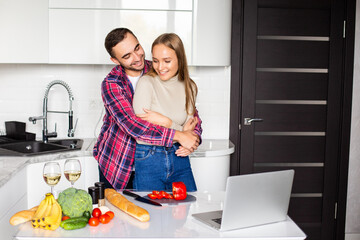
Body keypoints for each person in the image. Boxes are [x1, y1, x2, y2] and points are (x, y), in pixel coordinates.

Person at [93, 28, 202, 190]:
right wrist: (180, 135)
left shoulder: (159, 68)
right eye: (127, 56)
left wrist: (193, 138)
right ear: (115, 60)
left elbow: (193, 116)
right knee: (122, 213)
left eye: (137, 48)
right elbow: (134, 126)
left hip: (161, 160)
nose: (137, 58)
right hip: (120, 163)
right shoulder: (111, 84)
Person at [132, 33, 200, 191]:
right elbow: (141, 128)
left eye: (167, 61)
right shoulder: (146, 83)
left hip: (180, 157)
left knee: (189, 210)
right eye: (155, 61)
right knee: (151, 213)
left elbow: (189, 128)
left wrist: (166, 122)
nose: (160, 67)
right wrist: (182, 134)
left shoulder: (190, 87)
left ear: (179, 59)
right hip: (149, 157)